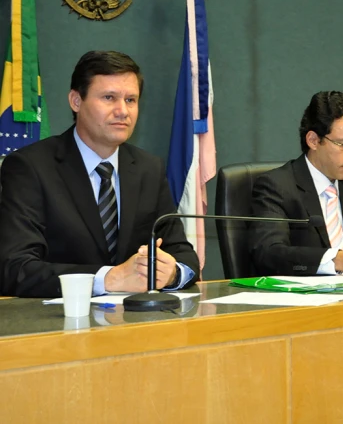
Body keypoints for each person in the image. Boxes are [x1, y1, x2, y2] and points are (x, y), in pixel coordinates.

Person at [0, 51, 199, 298]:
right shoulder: (30, 166)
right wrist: (108, 278)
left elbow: (183, 254)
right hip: (58, 323)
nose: (122, 111)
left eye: (131, 100)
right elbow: (16, 268)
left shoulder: (149, 168)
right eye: (109, 98)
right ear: (76, 101)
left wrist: (172, 273)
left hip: (134, 324)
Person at [251, 91, 343, 276]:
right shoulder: (276, 187)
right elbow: (269, 254)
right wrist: (337, 260)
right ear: (313, 140)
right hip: (303, 301)